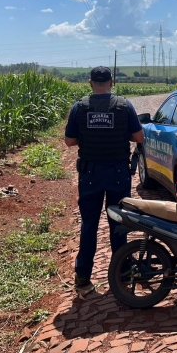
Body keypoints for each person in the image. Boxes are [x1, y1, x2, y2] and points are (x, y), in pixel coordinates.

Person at [64, 66, 145, 292]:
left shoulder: (79, 108)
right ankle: (123, 271)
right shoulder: (124, 106)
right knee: (119, 223)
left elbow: (69, 141)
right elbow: (139, 137)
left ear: (90, 83)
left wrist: (87, 136)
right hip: (118, 173)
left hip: (90, 173)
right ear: (112, 82)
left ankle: (83, 277)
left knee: (89, 224)